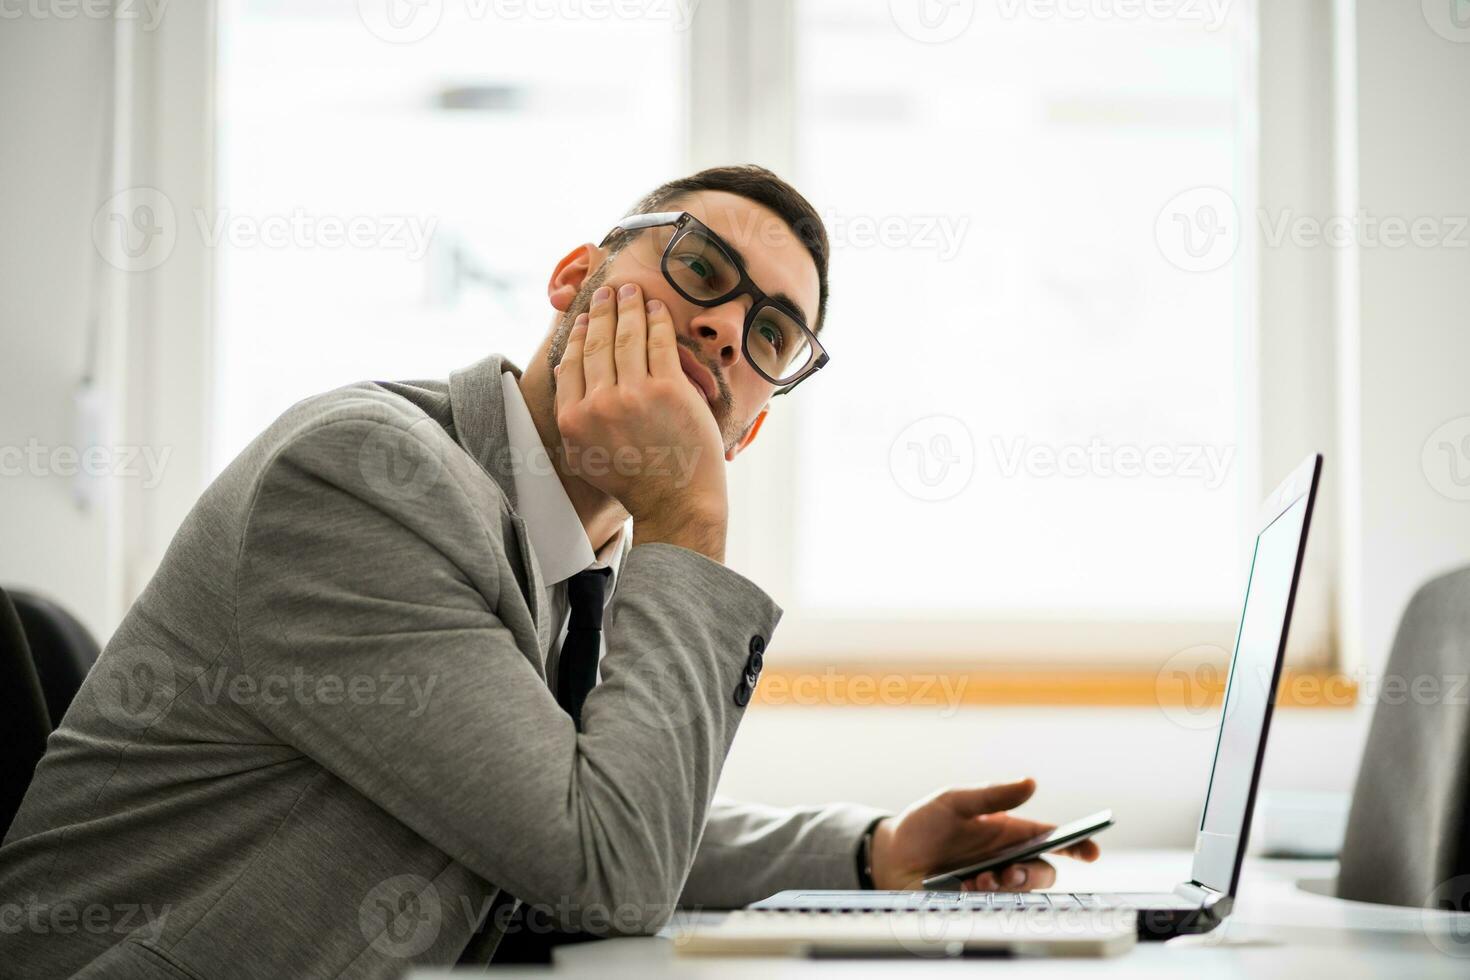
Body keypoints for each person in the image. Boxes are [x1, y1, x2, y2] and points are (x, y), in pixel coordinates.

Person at [0, 165, 1097, 979]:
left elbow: (568, 809)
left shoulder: (573, 564)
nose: (721, 327)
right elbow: (603, 867)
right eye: (701, 271)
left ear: (751, 428)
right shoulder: (362, 475)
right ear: (576, 278)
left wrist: (873, 852)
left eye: (771, 333)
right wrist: (688, 520)